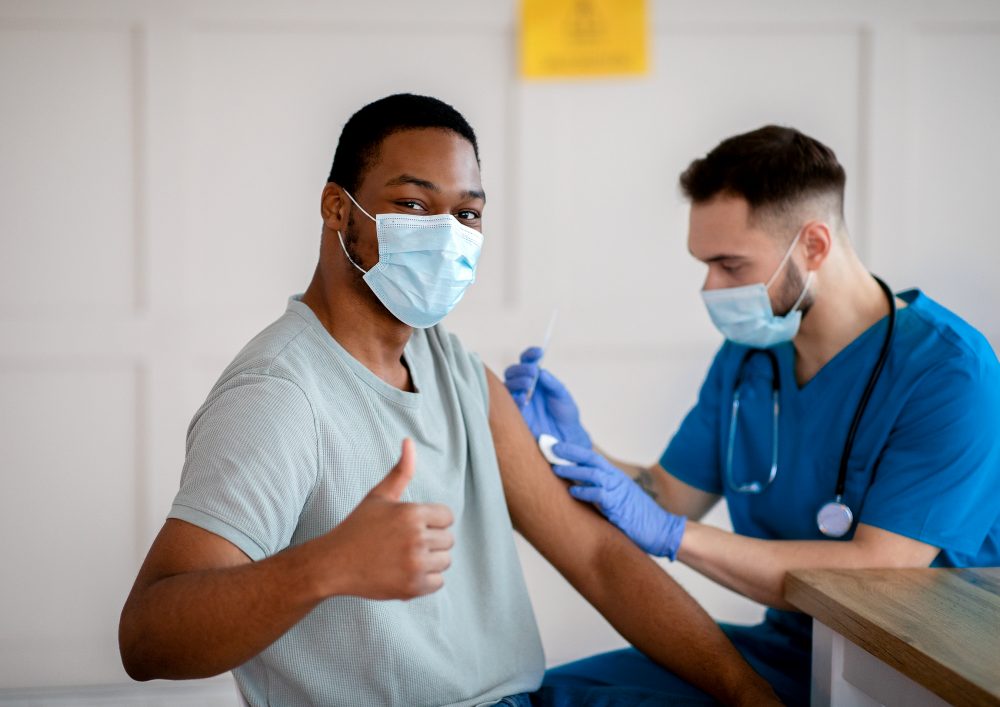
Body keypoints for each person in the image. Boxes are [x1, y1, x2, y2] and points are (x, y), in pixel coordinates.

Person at [118, 94, 780, 707]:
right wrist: (324, 565)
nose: (446, 233)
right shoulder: (280, 396)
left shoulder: (458, 372)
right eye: (412, 204)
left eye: (466, 214)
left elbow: (598, 558)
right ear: (338, 209)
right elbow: (147, 638)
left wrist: (751, 695)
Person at [505, 125, 1000, 707]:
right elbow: (663, 495)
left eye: (730, 265)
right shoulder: (750, 356)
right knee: (539, 698)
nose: (710, 287)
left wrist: (673, 537)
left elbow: (879, 570)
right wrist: (566, 445)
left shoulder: (950, 371)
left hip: (908, 668)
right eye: (704, 265)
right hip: (791, 650)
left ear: (814, 245)